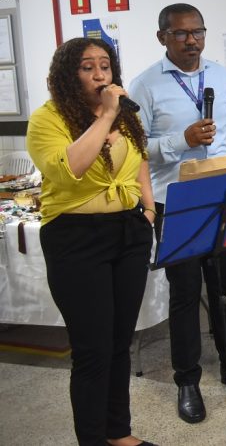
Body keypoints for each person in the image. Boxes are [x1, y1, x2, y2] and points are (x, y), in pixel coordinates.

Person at [129, 3, 226, 425]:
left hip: (224, 196)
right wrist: (181, 140)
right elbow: (135, 149)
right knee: (186, 291)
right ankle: (187, 380)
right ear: (162, 37)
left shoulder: (221, 76)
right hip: (177, 201)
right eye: (181, 33)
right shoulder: (145, 85)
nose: (192, 40)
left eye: (198, 32)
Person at [26, 37, 157, 446]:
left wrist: (148, 210)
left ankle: (118, 432)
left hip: (129, 231)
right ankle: (92, 440)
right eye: (88, 67)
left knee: (119, 341)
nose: (100, 74)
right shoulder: (48, 119)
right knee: (93, 349)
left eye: (105, 65)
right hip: (76, 238)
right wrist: (106, 116)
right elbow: (71, 168)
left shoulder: (124, 116)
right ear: (69, 74)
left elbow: (139, 161)